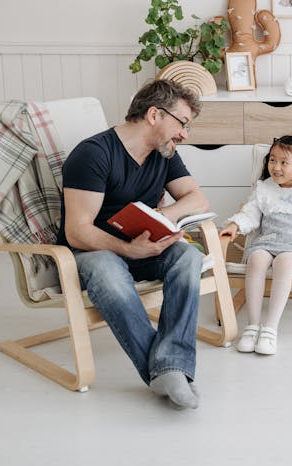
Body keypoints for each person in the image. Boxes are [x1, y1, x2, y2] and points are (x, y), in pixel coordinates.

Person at [56, 79, 208, 410]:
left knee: (187, 257)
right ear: (155, 114)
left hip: (143, 247)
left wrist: (162, 215)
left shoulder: (164, 154)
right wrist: (126, 249)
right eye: (182, 123)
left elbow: (197, 198)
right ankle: (166, 371)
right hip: (91, 252)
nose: (185, 134)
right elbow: (78, 231)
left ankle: (170, 365)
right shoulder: (93, 154)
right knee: (108, 269)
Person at [219, 135, 292, 355]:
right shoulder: (264, 188)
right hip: (267, 240)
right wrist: (235, 225)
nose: (275, 167)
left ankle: (270, 328)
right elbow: (251, 212)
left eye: (284, 162)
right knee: (256, 259)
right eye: (272, 160)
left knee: (284, 263)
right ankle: (252, 325)